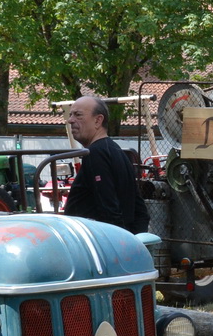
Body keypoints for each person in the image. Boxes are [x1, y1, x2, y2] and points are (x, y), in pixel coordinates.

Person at [61, 94, 149, 234]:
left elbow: (108, 206)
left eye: (78, 115)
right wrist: (134, 240)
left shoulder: (95, 154)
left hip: (97, 244)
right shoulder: (116, 151)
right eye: (70, 115)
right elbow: (140, 211)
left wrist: (119, 242)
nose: (70, 120)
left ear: (98, 120)